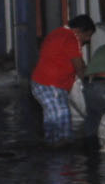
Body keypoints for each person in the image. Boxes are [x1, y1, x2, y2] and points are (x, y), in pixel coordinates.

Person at [30, 14, 95, 146]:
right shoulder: (71, 39)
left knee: (53, 122)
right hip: (51, 85)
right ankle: (62, 154)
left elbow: (77, 61)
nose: (88, 40)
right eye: (87, 35)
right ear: (78, 31)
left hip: (42, 83)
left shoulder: (58, 33)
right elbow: (79, 67)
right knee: (62, 121)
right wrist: (90, 85)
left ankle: (51, 150)